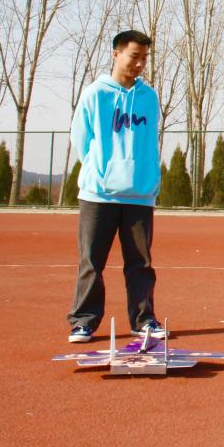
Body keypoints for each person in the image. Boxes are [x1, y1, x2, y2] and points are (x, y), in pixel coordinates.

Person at [67, 30, 165, 343]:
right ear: (116, 54)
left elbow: (149, 142)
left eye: (144, 58)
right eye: (134, 56)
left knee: (140, 263)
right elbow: (82, 141)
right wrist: (102, 169)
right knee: (91, 262)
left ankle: (143, 320)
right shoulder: (95, 94)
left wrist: (144, 177)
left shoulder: (149, 97)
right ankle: (83, 321)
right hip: (99, 194)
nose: (139, 64)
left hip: (139, 195)